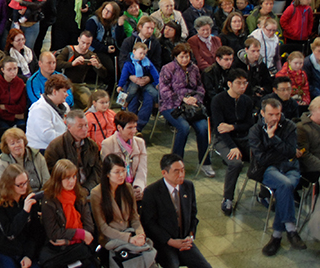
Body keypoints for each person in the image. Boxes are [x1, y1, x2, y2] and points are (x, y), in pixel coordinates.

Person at [141, 154, 215, 268]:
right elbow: (149, 223)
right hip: (164, 243)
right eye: (176, 171)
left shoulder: (188, 186)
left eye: (183, 170)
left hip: (184, 240)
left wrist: (191, 236)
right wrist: (169, 241)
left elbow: (193, 214)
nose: (181, 174)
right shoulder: (152, 192)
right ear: (164, 173)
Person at [89, 154, 159, 268]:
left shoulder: (127, 188)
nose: (121, 175)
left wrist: (140, 234)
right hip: (112, 240)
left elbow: (134, 217)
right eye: (117, 172)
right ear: (108, 174)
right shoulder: (97, 193)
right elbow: (103, 227)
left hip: (131, 234)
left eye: (123, 171)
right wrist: (129, 238)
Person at [250, 98, 306, 255]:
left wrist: (273, 138)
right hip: (270, 170)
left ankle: (277, 236)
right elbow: (262, 159)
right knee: (286, 185)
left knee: (284, 187)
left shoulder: (289, 126)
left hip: (291, 169)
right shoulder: (255, 130)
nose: (275, 118)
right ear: (262, 113)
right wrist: (282, 152)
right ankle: (291, 229)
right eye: (271, 114)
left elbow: (290, 152)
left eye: (278, 114)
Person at [40, 159, 102, 268]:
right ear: (58, 180)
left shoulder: (79, 195)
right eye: (67, 178)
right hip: (61, 254)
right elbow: (54, 234)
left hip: (80, 250)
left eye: (74, 177)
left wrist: (71, 240)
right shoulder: (49, 201)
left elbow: (89, 228)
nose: (72, 181)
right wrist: (80, 234)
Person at [158, 44, 212, 175]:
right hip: (171, 105)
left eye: (187, 56)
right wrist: (182, 99)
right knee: (184, 127)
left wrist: (195, 99)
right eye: (181, 56)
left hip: (192, 105)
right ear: (175, 57)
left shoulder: (194, 68)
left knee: (203, 128)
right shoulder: (168, 68)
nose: (184, 59)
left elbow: (200, 87)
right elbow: (164, 91)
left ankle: (205, 163)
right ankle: (175, 163)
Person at [211, 69, 254, 215]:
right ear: (230, 84)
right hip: (223, 140)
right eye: (239, 83)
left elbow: (249, 124)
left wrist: (233, 127)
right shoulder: (218, 100)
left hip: (243, 137)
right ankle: (228, 198)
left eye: (245, 83)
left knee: (263, 155)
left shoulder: (247, 100)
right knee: (236, 163)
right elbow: (220, 129)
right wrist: (232, 146)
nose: (242, 86)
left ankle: (264, 194)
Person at [45, 109, 102, 192]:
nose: (85, 129)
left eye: (86, 125)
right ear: (69, 127)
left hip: (89, 189)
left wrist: (87, 189)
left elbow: (97, 171)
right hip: (65, 190)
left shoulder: (92, 146)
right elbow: (52, 175)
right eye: (80, 126)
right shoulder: (55, 147)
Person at [100, 112, 148, 200]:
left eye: (135, 127)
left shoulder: (140, 142)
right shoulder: (108, 144)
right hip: (117, 188)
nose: (134, 131)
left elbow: (142, 168)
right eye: (130, 128)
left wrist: (138, 187)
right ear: (119, 128)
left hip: (135, 186)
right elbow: (110, 171)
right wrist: (127, 190)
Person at [26, 73, 71, 150]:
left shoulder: (65, 106)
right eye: (64, 91)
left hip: (59, 147)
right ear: (54, 91)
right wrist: (70, 138)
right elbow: (47, 136)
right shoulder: (39, 108)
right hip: (41, 150)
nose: (67, 95)